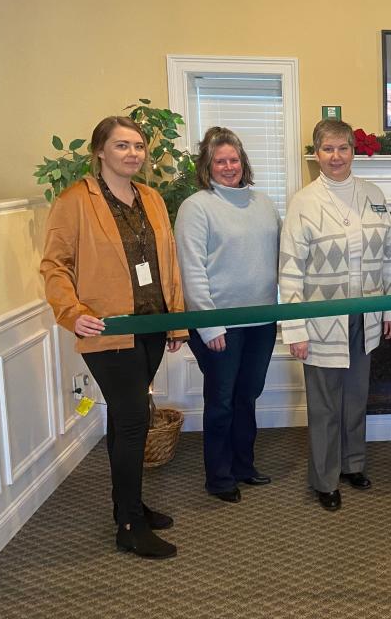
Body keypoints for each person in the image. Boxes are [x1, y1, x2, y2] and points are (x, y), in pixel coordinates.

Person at [40, 116, 187, 559]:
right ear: (100, 151)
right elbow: (54, 264)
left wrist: (175, 322)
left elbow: (168, 263)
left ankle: (128, 503)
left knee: (127, 418)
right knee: (130, 421)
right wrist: (71, 312)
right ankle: (129, 524)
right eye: (122, 146)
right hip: (109, 330)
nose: (133, 154)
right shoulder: (74, 201)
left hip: (150, 327)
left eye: (139, 146)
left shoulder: (152, 198)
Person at [279, 119, 391, 511]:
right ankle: (325, 477)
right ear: (317, 154)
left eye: (343, 148)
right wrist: (294, 327)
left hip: (364, 317)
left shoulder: (374, 195)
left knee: (355, 396)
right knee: (325, 403)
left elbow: (388, 259)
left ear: (353, 151)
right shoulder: (304, 201)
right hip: (319, 322)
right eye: (328, 149)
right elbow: (290, 269)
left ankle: (353, 464)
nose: (336, 157)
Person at [175, 127, 281, 504]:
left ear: (243, 162)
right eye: (220, 160)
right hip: (220, 325)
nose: (228, 166)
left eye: (234, 159)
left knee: (247, 396)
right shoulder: (196, 207)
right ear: (207, 164)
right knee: (220, 400)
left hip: (262, 321)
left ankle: (243, 465)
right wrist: (208, 325)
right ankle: (219, 477)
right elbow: (192, 270)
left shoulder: (264, 203)